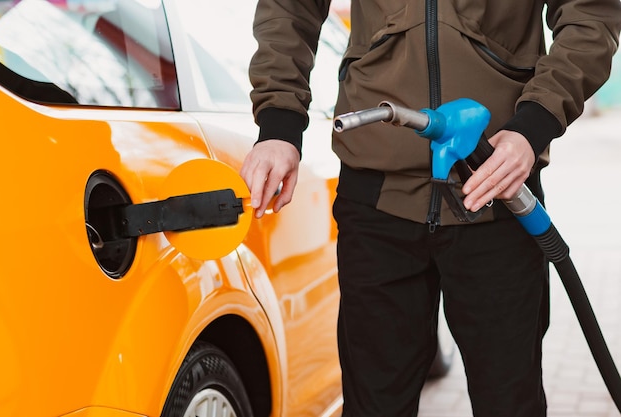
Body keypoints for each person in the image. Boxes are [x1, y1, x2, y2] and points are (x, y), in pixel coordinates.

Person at [240, 1, 621, 416]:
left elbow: (590, 15)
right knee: (373, 406)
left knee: (510, 404)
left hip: (497, 188)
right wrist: (278, 123)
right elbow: (290, 8)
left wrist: (533, 126)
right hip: (376, 200)